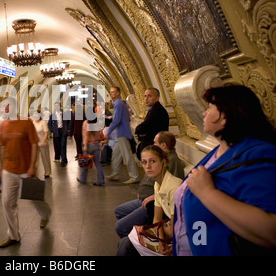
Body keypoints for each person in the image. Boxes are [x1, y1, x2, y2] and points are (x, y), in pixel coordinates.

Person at [173, 85, 276, 256]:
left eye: (210, 108)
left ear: (226, 115)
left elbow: (270, 231)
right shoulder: (220, 150)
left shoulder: (258, 155)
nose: (204, 113)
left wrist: (207, 193)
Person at [0, 98, 51, 248]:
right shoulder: (4, 125)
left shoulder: (26, 122)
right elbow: (2, 147)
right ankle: (13, 235)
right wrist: (3, 167)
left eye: (8, 106)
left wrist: (31, 166)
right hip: (9, 169)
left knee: (34, 198)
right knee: (7, 202)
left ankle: (45, 214)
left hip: (24, 168)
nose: (6, 109)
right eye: (4, 107)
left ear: (15, 107)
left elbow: (34, 144)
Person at [117, 145, 182, 256]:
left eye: (152, 161)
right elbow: (156, 218)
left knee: (126, 245)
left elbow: (172, 231)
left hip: (182, 239)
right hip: (169, 233)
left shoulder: (174, 187)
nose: (148, 166)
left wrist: (157, 228)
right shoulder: (158, 184)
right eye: (144, 162)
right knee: (124, 243)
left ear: (164, 162)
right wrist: (161, 239)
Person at [104, 87, 139, 184]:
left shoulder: (119, 104)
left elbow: (116, 120)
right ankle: (115, 174)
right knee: (116, 155)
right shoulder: (118, 104)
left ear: (118, 93)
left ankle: (134, 177)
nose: (111, 94)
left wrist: (108, 132)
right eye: (110, 92)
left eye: (113, 92)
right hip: (119, 134)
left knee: (127, 156)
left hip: (122, 133)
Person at [135, 88, 169, 160]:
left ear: (157, 98)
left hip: (155, 150)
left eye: (149, 96)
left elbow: (143, 127)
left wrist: (139, 130)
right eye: (145, 96)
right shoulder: (153, 109)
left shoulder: (156, 110)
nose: (146, 99)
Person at [77, 109, 105, 186]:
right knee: (97, 163)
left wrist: (85, 146)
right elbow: (99, 134)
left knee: (85, 162)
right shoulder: (96, 123)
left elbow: (85, 135)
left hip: (89, 145)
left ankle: (83, 179)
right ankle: (101, 179)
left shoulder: (86, 123)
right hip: (96, 145)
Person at [32, 110, 52, 179]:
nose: (35, 115)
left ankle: (47, 172)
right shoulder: (33, 122)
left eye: (36, 114)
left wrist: (43, 142)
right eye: (34, 114)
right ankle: (34, 172)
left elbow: (46, 133)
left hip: (42, 142)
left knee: (45, 158)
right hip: (35, 143)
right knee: (35, 158)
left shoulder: (43, 122)